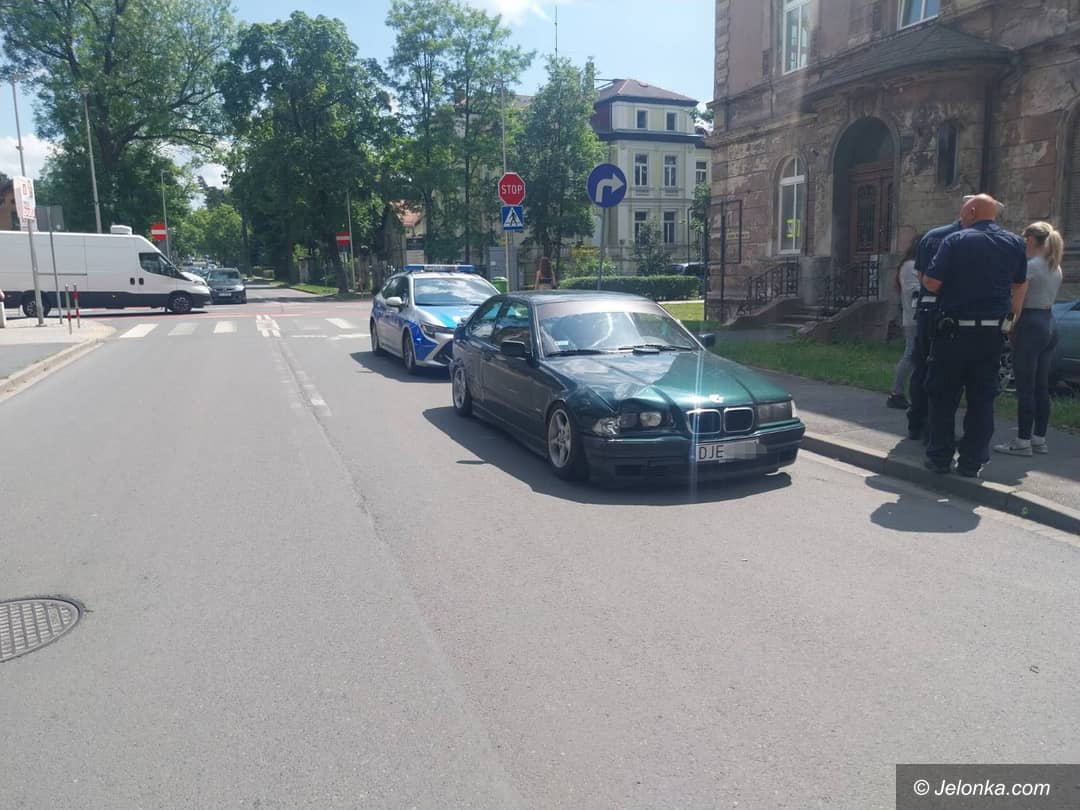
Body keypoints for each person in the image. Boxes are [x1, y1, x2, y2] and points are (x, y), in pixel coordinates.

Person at [921, 194, 1027, 477]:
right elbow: (1020, 284)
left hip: (954, 333)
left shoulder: (955, 240)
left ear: (971, 211)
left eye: (962, 212)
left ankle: (940, 458)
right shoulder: (1015, 243)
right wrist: (1011, 319)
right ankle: (972, 462)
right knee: (982, 399)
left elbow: (932, 282)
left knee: (943, 396)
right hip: (991, 334)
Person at [993, 222, 1064, 456]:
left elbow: (1017, 304)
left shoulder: (1030, 266)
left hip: (1030, 324)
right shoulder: (1055, 266)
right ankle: (1038, 439)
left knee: (1025, 387)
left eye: (1025, 239)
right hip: (1049, 322)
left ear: (1031, 240)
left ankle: (1022, 441)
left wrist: (1007, 328)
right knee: (1041, 386)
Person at [887, 235, 923, 409]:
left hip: (918, 318)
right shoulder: (910, 266)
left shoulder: (918, 266)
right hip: (914, 319)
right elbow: (914, 292)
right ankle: (896, 393)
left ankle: (909, 392)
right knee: (910, 354)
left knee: (916, 356)